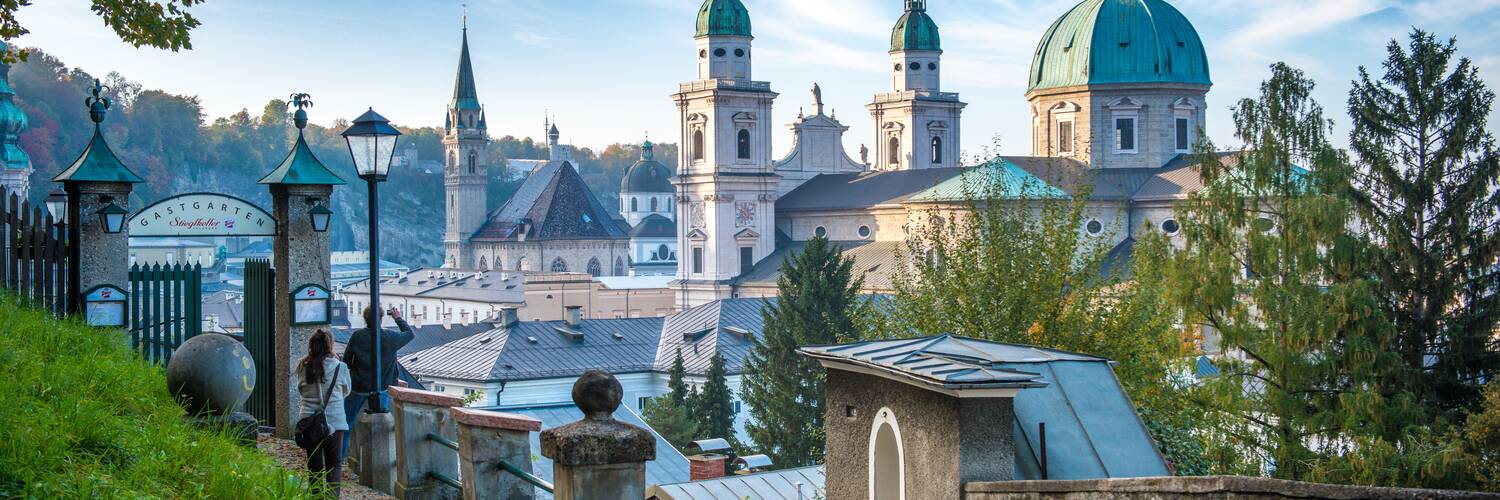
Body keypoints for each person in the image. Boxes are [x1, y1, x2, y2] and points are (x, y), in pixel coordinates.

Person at [341, 305, 415, 455]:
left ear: (365, 319)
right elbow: (409, 334)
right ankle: (384, 455)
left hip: (359, 386)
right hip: (383, 387)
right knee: (385, 424)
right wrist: (398, 318)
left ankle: (340, 457)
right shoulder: (390, 337)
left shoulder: (358, 336)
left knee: (345, 422)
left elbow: (347, 361)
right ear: (381, 319)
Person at [296, 329, 350, 494]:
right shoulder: (340, 367)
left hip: (309, 422)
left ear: (311, 346)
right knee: (334, 464)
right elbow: (347, 390)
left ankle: (316, 496)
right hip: (335, 421)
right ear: (330, 345)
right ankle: (333, 497)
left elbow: (301, 390)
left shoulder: (302, 367)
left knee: (314, 466)